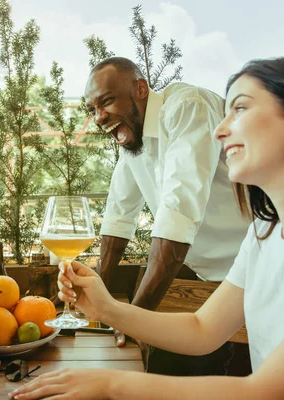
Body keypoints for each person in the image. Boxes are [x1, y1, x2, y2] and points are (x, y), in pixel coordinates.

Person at [10, 56, 284, 399]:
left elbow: (268, 391)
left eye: (238, 109)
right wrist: (107, 309)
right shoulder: (264, 235)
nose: (221, 130)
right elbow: (202, 329)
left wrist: (110, 385)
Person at [85, 56, 249, 374]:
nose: (98, 117)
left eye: (106, 102)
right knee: (166, 370)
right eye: (92, 110)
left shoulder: (188, 106)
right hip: (201, 274)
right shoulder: (132, 138)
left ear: (141, 89)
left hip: (249, 274)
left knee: (237, 378)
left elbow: (178, 211)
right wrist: (98, 305)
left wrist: (132, 319)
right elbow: (118, 216)